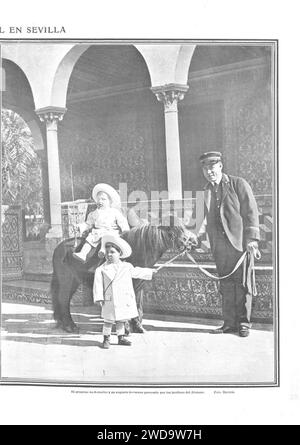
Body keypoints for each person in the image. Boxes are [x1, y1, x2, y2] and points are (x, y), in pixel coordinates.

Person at [197, 151, 260, 337]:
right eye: (206, 168)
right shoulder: (204, 193)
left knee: (243, 284)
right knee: (226, 285)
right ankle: (229, 323)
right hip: (219, 246)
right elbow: (198, 221)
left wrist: (252, 240)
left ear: (220, 166)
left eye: (212, 167)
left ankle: (244, 324)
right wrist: (190, 239)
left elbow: (251, 212)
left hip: (240, 244)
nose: (210, 171)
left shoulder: (238, 184)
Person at [93, 234, 157, 349]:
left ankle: (120, 337)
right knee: (108, 320)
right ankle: (106, 338)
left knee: (121, 320)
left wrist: (150, 272)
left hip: (123, 298)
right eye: (107, 253)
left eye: (112, 252)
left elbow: (137, 272)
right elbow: (97, 284)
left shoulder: (126, 267)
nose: (109, 255)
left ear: (120, 254)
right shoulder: (101, 269)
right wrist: (99, 297)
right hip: (110, 298)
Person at [73, 183, 130, 262]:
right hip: (97, 233)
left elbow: (122, 221)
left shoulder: (114, 212)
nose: (100, 201)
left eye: (103, 199)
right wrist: (81, 226)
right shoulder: (94, 213)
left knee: (108, 238)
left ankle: (103, 250)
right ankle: (83, 253)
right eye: (98, 199)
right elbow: (88, 224)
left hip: (111, 232)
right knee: (89, 240)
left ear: (110, 201)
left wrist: (125, 230)